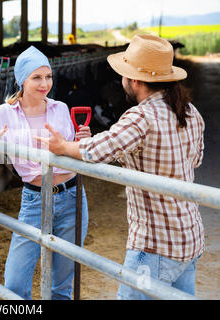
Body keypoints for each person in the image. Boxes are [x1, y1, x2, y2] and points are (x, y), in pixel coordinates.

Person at [35, 34, 205, 299]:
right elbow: (194, 159)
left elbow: (98, 150)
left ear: (134, 80)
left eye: (124, 74)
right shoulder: (190, 112)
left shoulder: (141, 116)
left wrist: (62, 147)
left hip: (154, 244)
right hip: (189, 237)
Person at [0, 46, 92, 300]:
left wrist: (82, 139)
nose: (45, 84)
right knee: (15, 283)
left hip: (72, 198)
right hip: (34, 199)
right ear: (22, 80)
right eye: (37, 77)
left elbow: (73, 150)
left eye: (48, 77)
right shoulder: (4, 113)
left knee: (61, 285)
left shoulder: (61, 108)